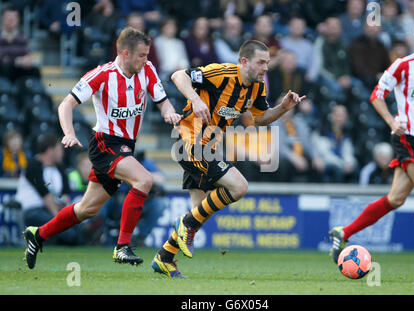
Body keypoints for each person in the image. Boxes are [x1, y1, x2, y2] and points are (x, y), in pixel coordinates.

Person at [23, 27, 181, 269]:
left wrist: (169, 113)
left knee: (87, 209)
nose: (146, 59)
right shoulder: (102, 74)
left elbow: (163, 102)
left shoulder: (147, 70)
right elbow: (66, 104)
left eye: (147, 54)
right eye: (141, 55)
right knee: (144, 180)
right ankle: (122, 247)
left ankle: (38, 234)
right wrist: (69, 133)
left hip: (125, 146)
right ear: (125, 53)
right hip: (104, 143)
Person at [151, 39, 305, 278]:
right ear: (244, 61)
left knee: (198, 211)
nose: (266, 67)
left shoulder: (257, 87)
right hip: (189, 141)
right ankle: (186, 225)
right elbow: (178, 76)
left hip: (208, 146)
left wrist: (283, 107)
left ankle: (164, 258)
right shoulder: (221, 73)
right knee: (239, 186)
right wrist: (197, 98)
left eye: (267, 62)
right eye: (261, 62)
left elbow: (260, 119)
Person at [329, 18, 414, 272]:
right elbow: (376, 95)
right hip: (406, 135)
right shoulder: (403, 65)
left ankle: (344, 232)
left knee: (395, 199)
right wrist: (391, 122)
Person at [16, 134, 77, 246]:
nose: (62, 153)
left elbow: (66, 193)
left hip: (54, 210)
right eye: (59, 149)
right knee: (69, 234)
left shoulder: (60, 168)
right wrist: (59, 220)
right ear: (50, 150)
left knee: (75, 225)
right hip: (32, 210)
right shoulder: (33, 166)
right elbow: (45, 195)